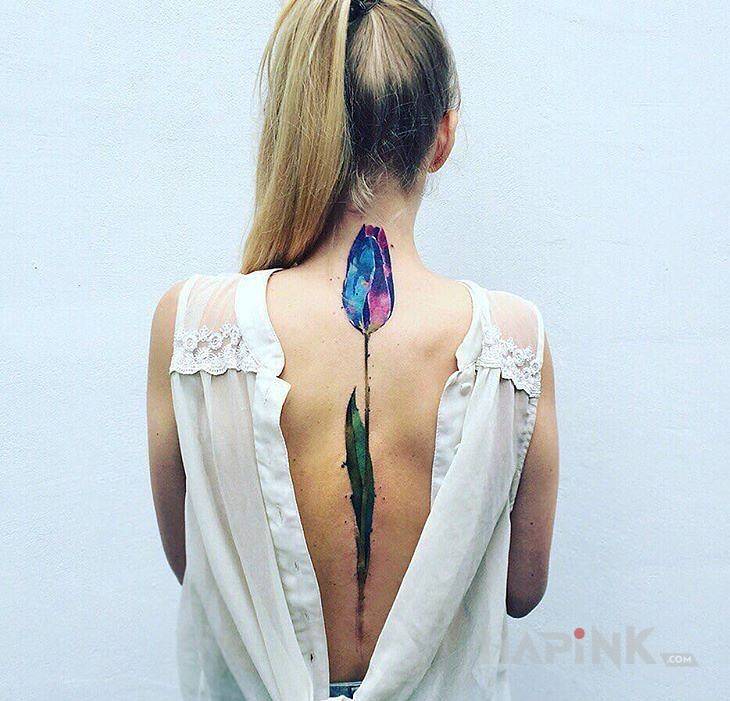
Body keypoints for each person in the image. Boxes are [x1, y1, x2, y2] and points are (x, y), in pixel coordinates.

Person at [147, 0, 559, 698]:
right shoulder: (514, 342)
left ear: (296, 128)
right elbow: (522, 587)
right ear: (442, 137)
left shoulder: (191, 326)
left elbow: (202, 563)